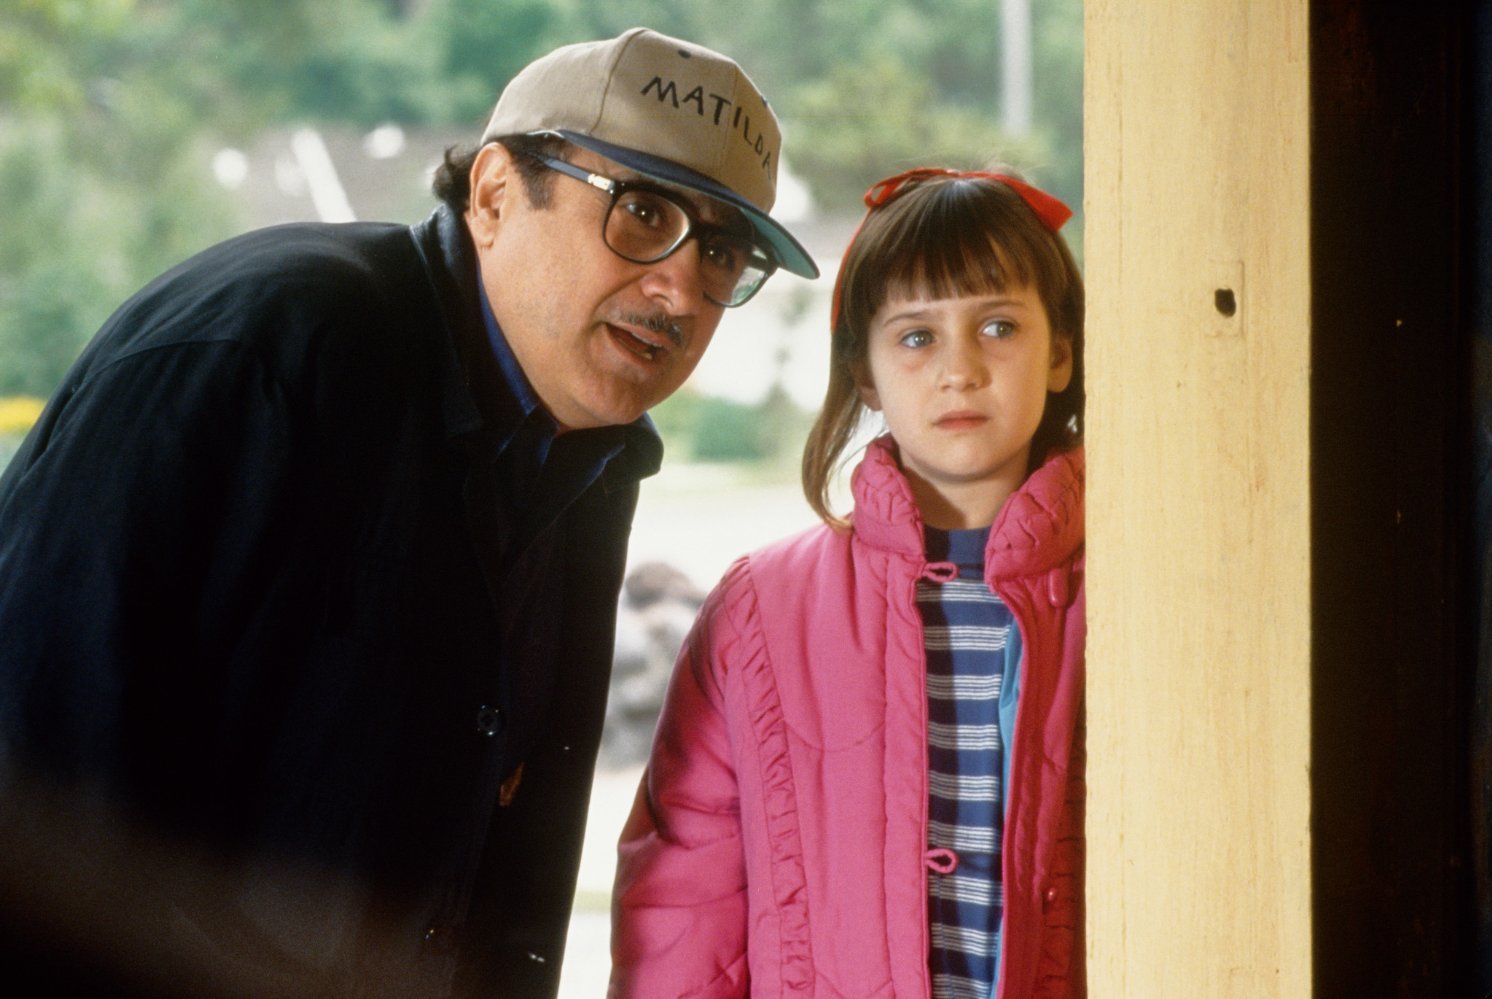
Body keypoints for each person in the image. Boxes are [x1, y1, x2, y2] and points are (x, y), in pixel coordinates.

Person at [0, 27, 816, 999]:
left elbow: (507, 869)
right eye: (641, 213)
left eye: (722, 251)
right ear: (494, 195)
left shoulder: (587, 453)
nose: (681, 287)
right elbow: (31, 780)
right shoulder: (266, 345)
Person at [610, 166, 1086, 998]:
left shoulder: (1150, 595)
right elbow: (680, 904)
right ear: (864, 373)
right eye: (916, 336)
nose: (960, 368)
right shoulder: (761, 609)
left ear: (1061, 354)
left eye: (1000, 325)